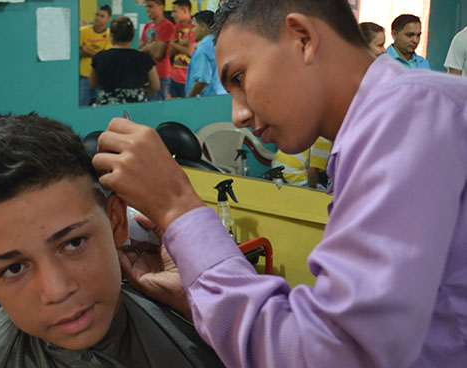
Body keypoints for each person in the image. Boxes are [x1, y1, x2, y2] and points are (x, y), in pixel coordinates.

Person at [92, 0, 467, 367]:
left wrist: (177, 205)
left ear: (302, 38)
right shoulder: (392, 123)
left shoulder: (406, 119)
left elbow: (333, 355)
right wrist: (198, 296)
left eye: (239, 78)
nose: (238, 114)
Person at [0, 113, 223, 367]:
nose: (56, 291)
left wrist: (205, 308)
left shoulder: (211, 323)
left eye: (73, 243)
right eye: (14, 268)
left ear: (116, 222)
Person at [90, 17, 160, 105]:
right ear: (133, 36)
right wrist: (138, 92)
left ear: (111, 36)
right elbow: (155, 86)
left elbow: (93, 83)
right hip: (136, 105)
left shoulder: (100, 57)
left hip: (108, 104)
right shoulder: (144, 58)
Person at [139, 0, 176, 101]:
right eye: (146, 6)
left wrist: (147, 47)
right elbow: (140, 49)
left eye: (150, 6)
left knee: (158, 107)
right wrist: (154, 45)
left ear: (161, 7)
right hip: (146, 72)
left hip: (161, 74)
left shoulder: (168, 26)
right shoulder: (147, 26)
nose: (147, 10)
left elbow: (158, 54)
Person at [185, 11, 227, 98]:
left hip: (207, 102)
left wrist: (189, 99)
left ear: (203, 26)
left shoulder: (203, 49)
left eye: (194, 26)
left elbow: (202, 80)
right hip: (223, 99)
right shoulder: (221, 44)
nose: (191, 30)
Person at [79, 5, 112, 106]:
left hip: (101, 77)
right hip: (84, 76)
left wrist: (87, 51)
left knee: (101, 105)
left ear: (108, 19)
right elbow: (78, 53)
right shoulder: (83, 31)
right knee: (82, 104)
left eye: (102, 16)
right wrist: (96, 53)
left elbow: (105, 57)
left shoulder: (110, 34)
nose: (98, 18)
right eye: (97, 15)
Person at [168, 0, 196, 98]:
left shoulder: (195, 27)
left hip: (188, 78)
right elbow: (170, 52)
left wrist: (174, 44)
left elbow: (190, 51)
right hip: (174, 76)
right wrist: (182, 45)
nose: (172, 15)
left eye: (175, 11)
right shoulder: (177, 27)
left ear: (184, 10)